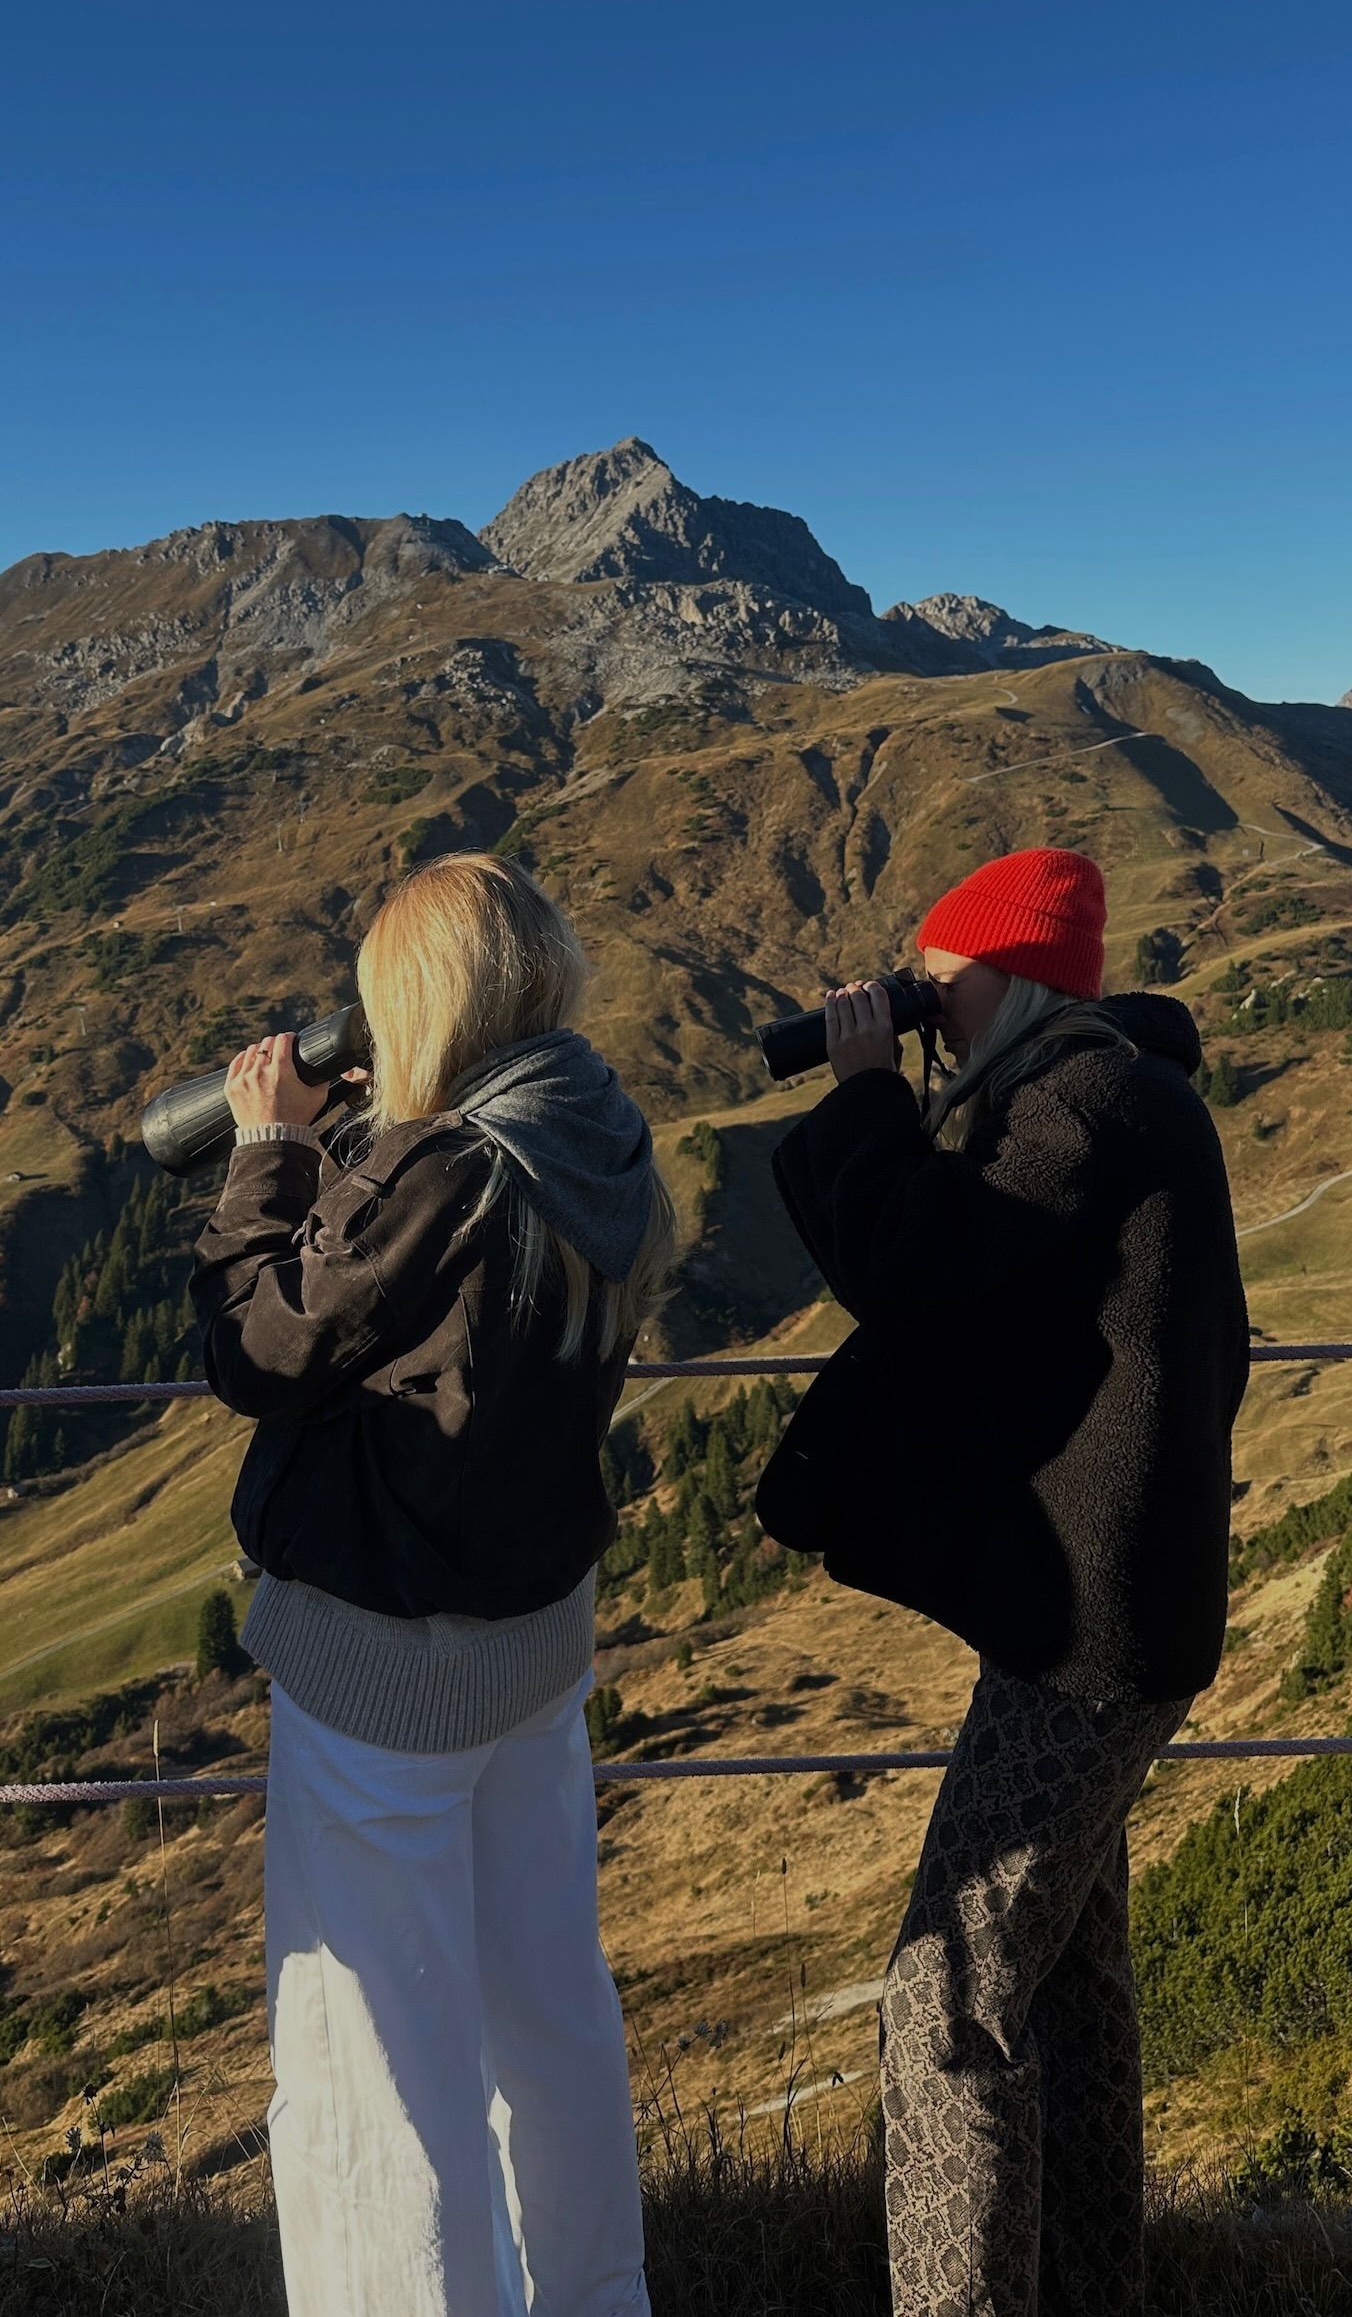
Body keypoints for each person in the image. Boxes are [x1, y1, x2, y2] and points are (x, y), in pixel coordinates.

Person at [758, 846, 1249, 2317]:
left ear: (1011, 978)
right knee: (1072, 1975)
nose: (931, 1005)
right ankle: (1096, 2286)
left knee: (945, 1995)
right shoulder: (1113, 1096)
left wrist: (861, 1088)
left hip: (1088, 1643)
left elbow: (914, 1260)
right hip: (1116, 1620)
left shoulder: (1086, 1105)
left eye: (942, 978)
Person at [190, 851, 675, 2317]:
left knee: (380, 2081)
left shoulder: (442, 1169)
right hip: (535, 1655)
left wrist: (271, 1153)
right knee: (550, 2016)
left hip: (390, 1682)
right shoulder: (598, 1131)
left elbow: (261, 1346)